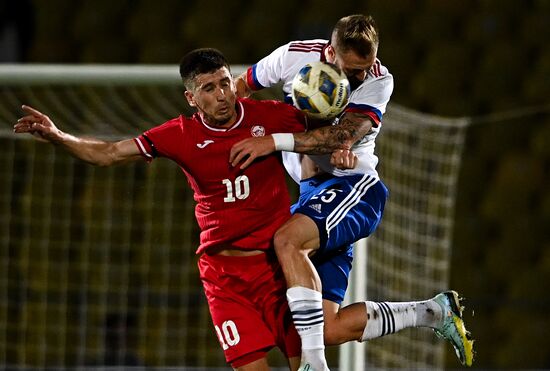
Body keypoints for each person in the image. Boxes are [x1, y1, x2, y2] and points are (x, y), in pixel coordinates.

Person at [13, 48, 340, 371]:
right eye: (209, 89)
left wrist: (347, 151)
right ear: (192, 98)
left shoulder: (269, 116)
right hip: (226, 279)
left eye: (225, 83)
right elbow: (109, 152)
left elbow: (327, 134)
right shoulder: (180, 135)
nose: (222, 95)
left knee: (308, 365)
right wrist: (59, 137)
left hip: (277, 267)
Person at [232, 14, 474, 369]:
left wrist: (273, 141)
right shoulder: (292, 57)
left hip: (354, 186)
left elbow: (341, 136)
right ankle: (434, 312)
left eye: (363, 68)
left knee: (286, 241)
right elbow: (242, 86)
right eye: (349, 68)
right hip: (312, 194)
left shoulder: (379, 81)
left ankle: (314, 366)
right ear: (330, 52)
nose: (355, 77)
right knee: (327, 327)